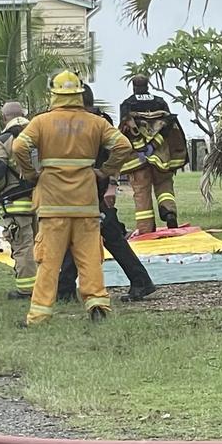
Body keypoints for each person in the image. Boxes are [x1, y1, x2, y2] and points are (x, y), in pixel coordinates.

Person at [11, 70, 132, 327]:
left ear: (53, 94)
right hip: (85, 204)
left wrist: (31, 173)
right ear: (79, 94)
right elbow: (123, 146)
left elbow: (19, 147)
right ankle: (97, 303)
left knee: (48, 262)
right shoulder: (95, 123)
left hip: (53, 205)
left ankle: (40, 314)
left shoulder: (41, 122)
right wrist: (106, 171)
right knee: (89, 258)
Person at [57, 85, 156, 303]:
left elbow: (121, 148)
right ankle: (64, 288)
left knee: (99, 234)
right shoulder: (100, 121)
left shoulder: (89, 123)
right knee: (93, 234)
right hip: (90, 188)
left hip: (87, 189)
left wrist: (105, 174)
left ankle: (140, 281)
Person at [119, 75, 187, 234]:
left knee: (141, 192)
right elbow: (169, 126)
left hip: (137, 158)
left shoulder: (128, 104)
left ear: (134, 87)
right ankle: (169, 212)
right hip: (161, 156)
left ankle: (146, 230)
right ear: (148, 86)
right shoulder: (160, 102)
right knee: (164, 186)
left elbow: (124, 129)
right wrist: (155, 144)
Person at [0, 101, 38, 299]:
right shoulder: (36, 135)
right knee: (41, 243)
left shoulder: (4, 140)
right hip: (42, 199)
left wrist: (0, 189)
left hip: (16, 201)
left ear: (4, 118)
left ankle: (27, 289)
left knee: (23, 244)